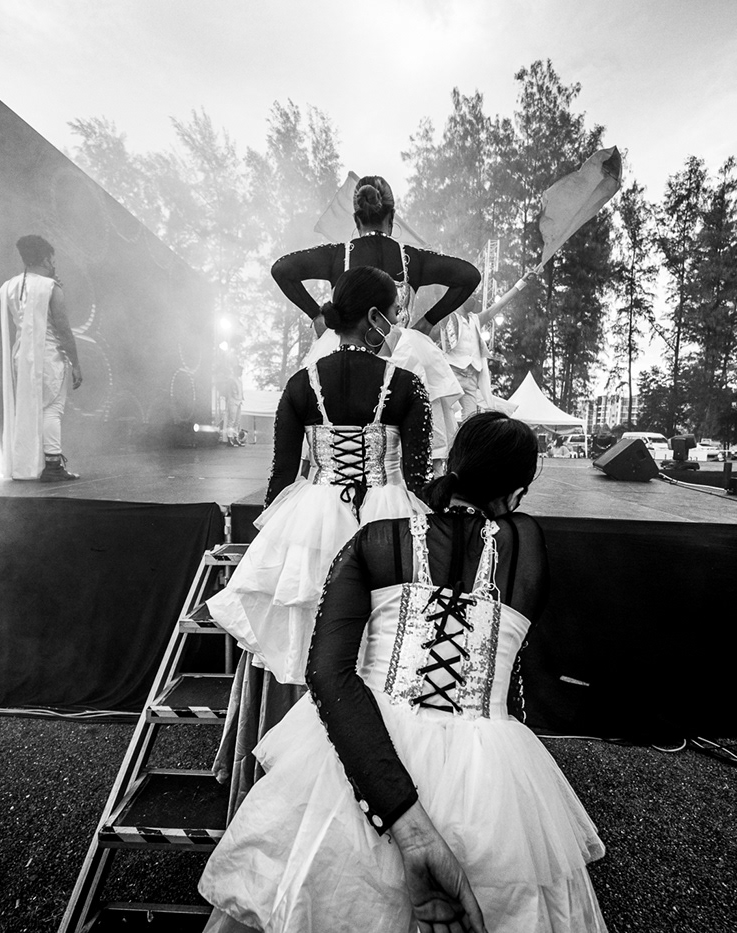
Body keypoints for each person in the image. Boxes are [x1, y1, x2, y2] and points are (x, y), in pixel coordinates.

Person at [200, 412, 608, 933]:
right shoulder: (525, 544)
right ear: (519, 492)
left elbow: (327, 675)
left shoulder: (375, 539)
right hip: (492, 778)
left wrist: (410, 830)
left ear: (454, 465)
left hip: (366, 750)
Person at [207, 267, 433, 808]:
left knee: (307, 635)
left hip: (310, 520)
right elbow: (420, 479)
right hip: (387, 517)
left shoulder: (299, 384)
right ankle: (374, 776)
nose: (398, 322)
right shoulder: (407, 385)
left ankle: (292, 778)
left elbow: (282, 477)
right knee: (376, 646)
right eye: (395, 312)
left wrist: (268, 544)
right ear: (375, 316)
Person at [272, 175, 479, 472]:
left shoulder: (338, 255)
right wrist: (428, 321)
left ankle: (327, 477)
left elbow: (282, 269)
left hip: (341, 346)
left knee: (322, 418)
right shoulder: (410, 259)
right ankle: (411, 486)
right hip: (402, 348)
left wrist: (317, 315)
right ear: (391, 217)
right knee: (421, 439)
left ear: (356, 219)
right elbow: (469, 276)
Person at [0, 235, 84, 482]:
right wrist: (75, 363)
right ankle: (53, 465)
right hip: (48, 354)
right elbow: (63, 329)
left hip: (20, 356)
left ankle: (30, 463)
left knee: (28, 409)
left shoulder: (8, 286)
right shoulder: (49, 287)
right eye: (52, 259)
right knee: (52, 409)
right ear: (46, 258)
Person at [439, 273, 535, 419]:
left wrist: (521, 283)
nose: (473, 298)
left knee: (470, 419)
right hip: (453, 373)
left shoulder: (476, 319)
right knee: (444, 414)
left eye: (474, 295)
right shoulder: (448, 317)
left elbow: (500, 304)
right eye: (470, 295)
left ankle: (465, 442)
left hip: (472, 375)